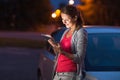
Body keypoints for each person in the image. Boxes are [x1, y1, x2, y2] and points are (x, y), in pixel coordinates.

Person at [48, 5, 88, 80]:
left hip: (69, 74)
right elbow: (59, 53)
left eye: (66, 19)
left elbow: (79, 58)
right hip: (58, 72)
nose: (64, 22)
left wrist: (62, 52)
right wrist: (55, 47)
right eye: (62, 19)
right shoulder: (66, 31)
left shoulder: (81, 33)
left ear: (75, 18)